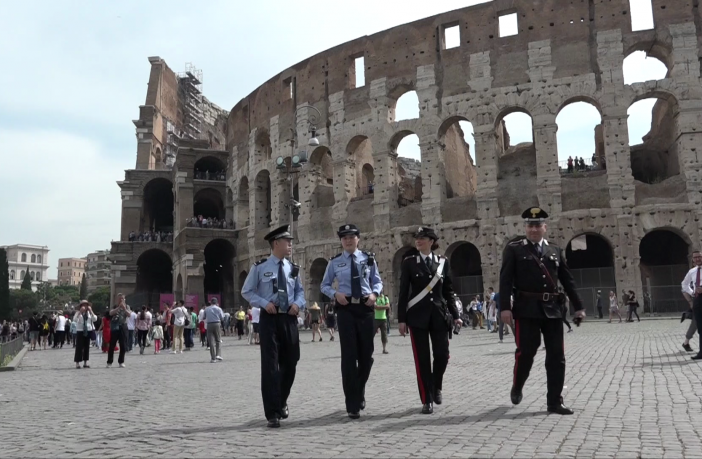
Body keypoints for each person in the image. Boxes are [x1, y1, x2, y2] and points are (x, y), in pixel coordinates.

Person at [499, 207, 585, 415]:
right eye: (530, 225)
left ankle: (554, 401)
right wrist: (505, 308)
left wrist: (579, 306)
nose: (534, 229)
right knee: (526, 352)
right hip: (526, 309)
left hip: (553, 310)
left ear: (545, 227)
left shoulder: (554, 250)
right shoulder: (514, 249)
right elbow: (505, 281)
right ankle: (518, 385)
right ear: (525, 228)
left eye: (538, 225)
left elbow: (567, 279)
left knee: (557, 356)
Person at [241, 224, 306, 428]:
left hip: (289, 318)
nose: (290, 245)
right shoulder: (259, 268)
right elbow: (247, 291)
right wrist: (263, 303)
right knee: (270, 365)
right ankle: (272, 412)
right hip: (269, 319)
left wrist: (298, 303)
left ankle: (281, 399)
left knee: (292, 361)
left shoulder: (293, 269)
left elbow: (301, 292)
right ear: (276, 243)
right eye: (287, 242)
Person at [320, 224, 383, 419]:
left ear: (358, 239)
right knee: (349, 357)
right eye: (344, 237)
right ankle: (352, 404)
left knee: (367, 355)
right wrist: (335, 294)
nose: (348, 240)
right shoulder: (334, 262)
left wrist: (374, 293)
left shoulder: (368, 259)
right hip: (346, 309)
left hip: (365, 308)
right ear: (341, 241)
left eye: (351, 237)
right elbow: (324, 285)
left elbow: (377, 281)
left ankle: (359, 390)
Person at [397, 227, 460, 415]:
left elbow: (448, 291)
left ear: (431, 241)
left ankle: (436, 384)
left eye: (422, 238)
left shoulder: (443, 263)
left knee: (442, 355)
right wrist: (401, 319)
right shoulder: (409, 263)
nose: (418, 241)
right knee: (422, 360)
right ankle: (427, 399)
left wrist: (456, 315)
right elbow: (403, 292)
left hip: (439, 316)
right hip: (417, 317)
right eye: (417, 238)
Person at [681, 251, 702, 359]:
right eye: (695, 257)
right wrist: (692, 292)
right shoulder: (692, 271)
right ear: (692, 259)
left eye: (699, 257)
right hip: (698, 299)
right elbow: (684, 284)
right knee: (700, 326)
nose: (697, 259)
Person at [107, 293, 130, 368]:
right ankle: (109, 362)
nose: (121, 300)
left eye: (122, 298)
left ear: (125, 299)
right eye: (120, 299)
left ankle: (121, 361)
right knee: (112, 345)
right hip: (115, 327)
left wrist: (124, 308)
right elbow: (110, 313)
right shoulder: (114, 306)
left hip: (123, 326)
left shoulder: (127, 306)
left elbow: (129, 314)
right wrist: (118, 308)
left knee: (123, 345)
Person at [73, 300, 98, 369]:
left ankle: (85, 362)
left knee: (86, 347)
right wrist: (80, 312)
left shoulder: (89, 313)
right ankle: (77, 363)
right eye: (83, 305)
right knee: (79, 347)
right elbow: (75, 320)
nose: (85, 306)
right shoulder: (78, 313)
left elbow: (95, 319)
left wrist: (91, 311)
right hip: (80, 331)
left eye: (86, 305)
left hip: (88, 330)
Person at [204, 298, 225, 363]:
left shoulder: (206, 309)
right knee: (218, 340)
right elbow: (222, 317)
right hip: (217, 323)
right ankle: (218, 354)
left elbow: (204, 317)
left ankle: (213, 358)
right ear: (216, 302)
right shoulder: (218, 308)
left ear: (211, 302)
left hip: (209, 324)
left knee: (211, 341)